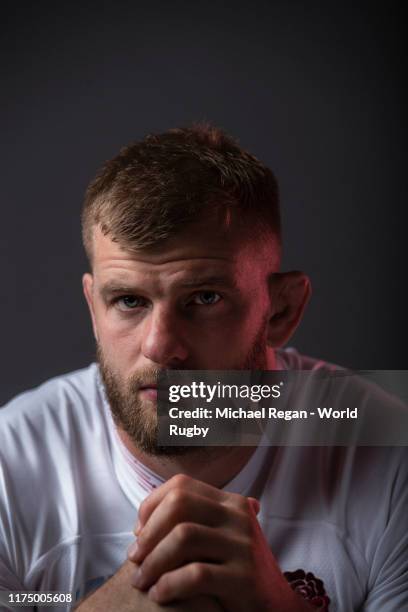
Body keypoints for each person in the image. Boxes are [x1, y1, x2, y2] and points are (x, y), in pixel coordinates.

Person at [0, 124, 406, 612]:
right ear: (93, 308)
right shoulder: (11, 462)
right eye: (128, 300)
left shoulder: (391, 455)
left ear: (280, 311)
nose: (161, 347)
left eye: (205, 298)